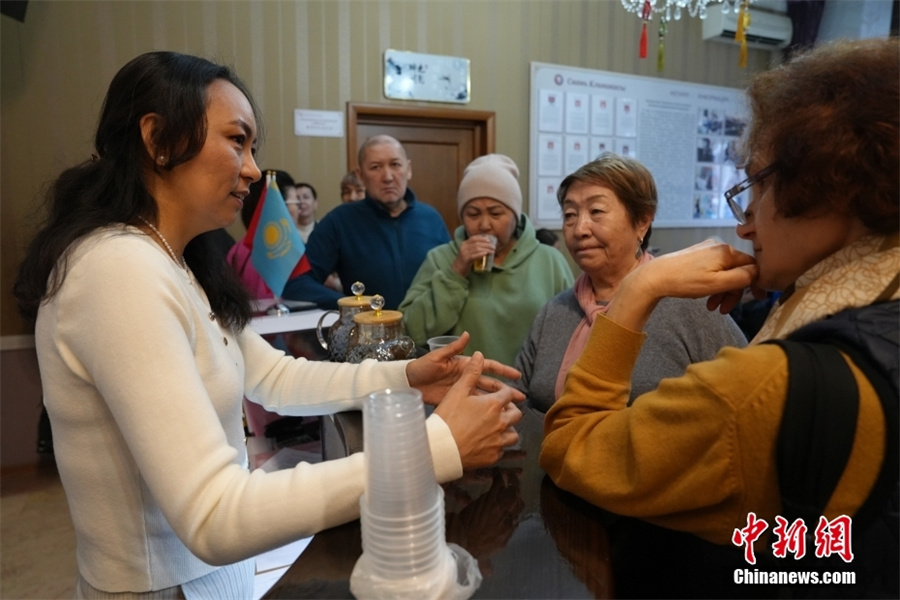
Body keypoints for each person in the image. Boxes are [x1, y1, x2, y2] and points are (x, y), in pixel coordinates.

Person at [12, 51, 524, 599]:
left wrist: (405, 376)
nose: (255, 170)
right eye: (238, 141)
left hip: (205, 576)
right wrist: (436, 447)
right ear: (159, 139)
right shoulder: (117, 269)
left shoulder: (172, 260)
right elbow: (214, 514)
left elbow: (272, 376)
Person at [541, 38, 898, 596]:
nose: (747, 222)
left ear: (833, 179)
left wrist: (639, 290)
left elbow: (569, 446)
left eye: (756, 183)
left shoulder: (758, 390)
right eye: (570, 214)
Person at [515, 153, 746, 413]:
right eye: (570, 214)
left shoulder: (690, 307)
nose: (580, 228)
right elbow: (521, 398)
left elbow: (749, 395)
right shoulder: (555, 311)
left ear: (642, 221)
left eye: (596, 211)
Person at [400, 154, 573, 366]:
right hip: (461, 389)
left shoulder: (550, 261)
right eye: (473, 214)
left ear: (515, 215)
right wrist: (455, 273)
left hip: (532, 393)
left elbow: (573, 336)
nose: (484, 224)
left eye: (496, 213)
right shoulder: (440, 258)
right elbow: (410, 331)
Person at [282, 134, 450, 309]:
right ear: (361, 175)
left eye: (395, 165)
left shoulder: (431, 218)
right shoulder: (339, 222)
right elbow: (297, 283)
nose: (388, 177)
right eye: (376, 167)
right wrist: (351, 304)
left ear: (408, 169)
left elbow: (451, 276)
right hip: (369, 331)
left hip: (430, 332)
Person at [226, 169, 297, 300]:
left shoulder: (237, 248)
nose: (298, 210)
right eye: (295, 202)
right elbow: (268, 305)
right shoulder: (275, 250)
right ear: (277, 206)